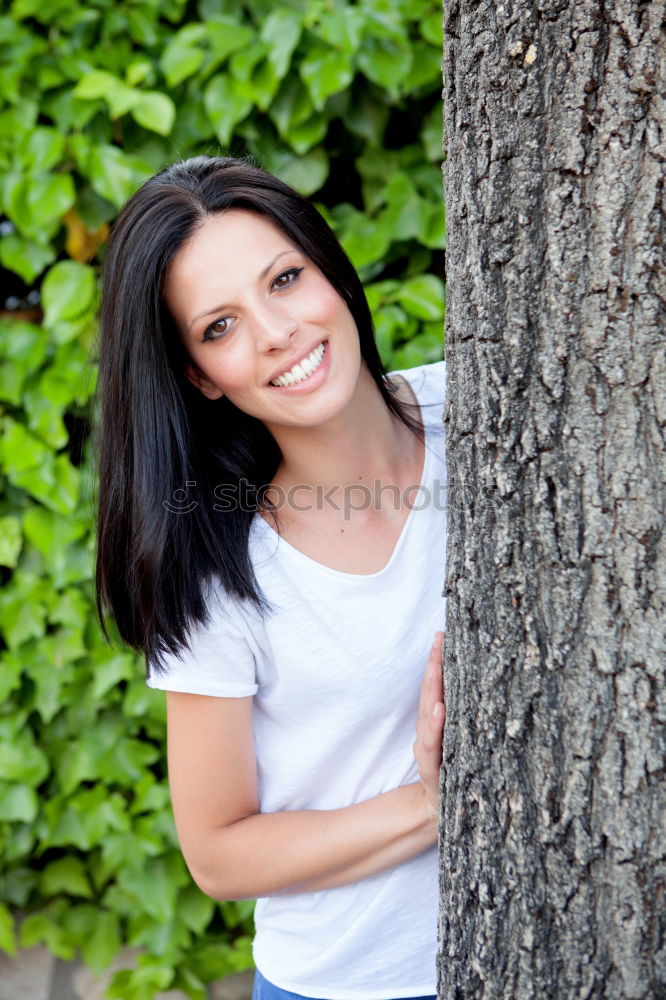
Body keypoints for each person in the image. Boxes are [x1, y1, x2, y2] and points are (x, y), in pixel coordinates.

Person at [96, 155, 446, 1000]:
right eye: (219, 327)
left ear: (329, 267)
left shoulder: (497, 413)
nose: (275, 330)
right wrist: (437, 801)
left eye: (285, 278)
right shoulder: (219, 566)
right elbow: (218, 851)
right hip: (350, 984)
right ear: (197, 377)